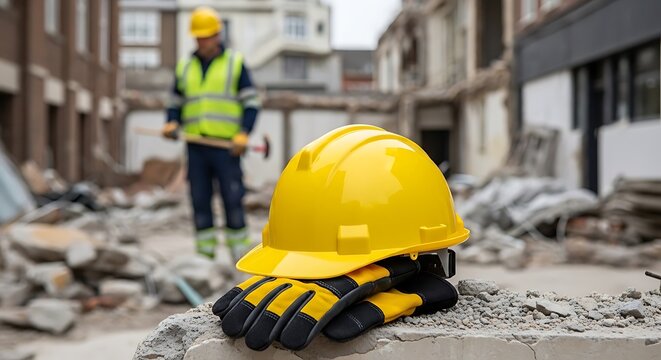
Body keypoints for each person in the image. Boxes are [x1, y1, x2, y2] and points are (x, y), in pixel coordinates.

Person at [162, 6, 260, 261]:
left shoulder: (234, 64)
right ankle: (204, 257)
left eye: (207, 36)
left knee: (232, 197)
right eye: (199, 37)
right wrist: (172, 122)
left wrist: (244, 133)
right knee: (200, 198)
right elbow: (175, 102)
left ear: (217, 35)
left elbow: (251, 103)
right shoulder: (185, 66)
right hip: (196, 145)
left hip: (226, 147)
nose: (203, 41)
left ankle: (239, 255)